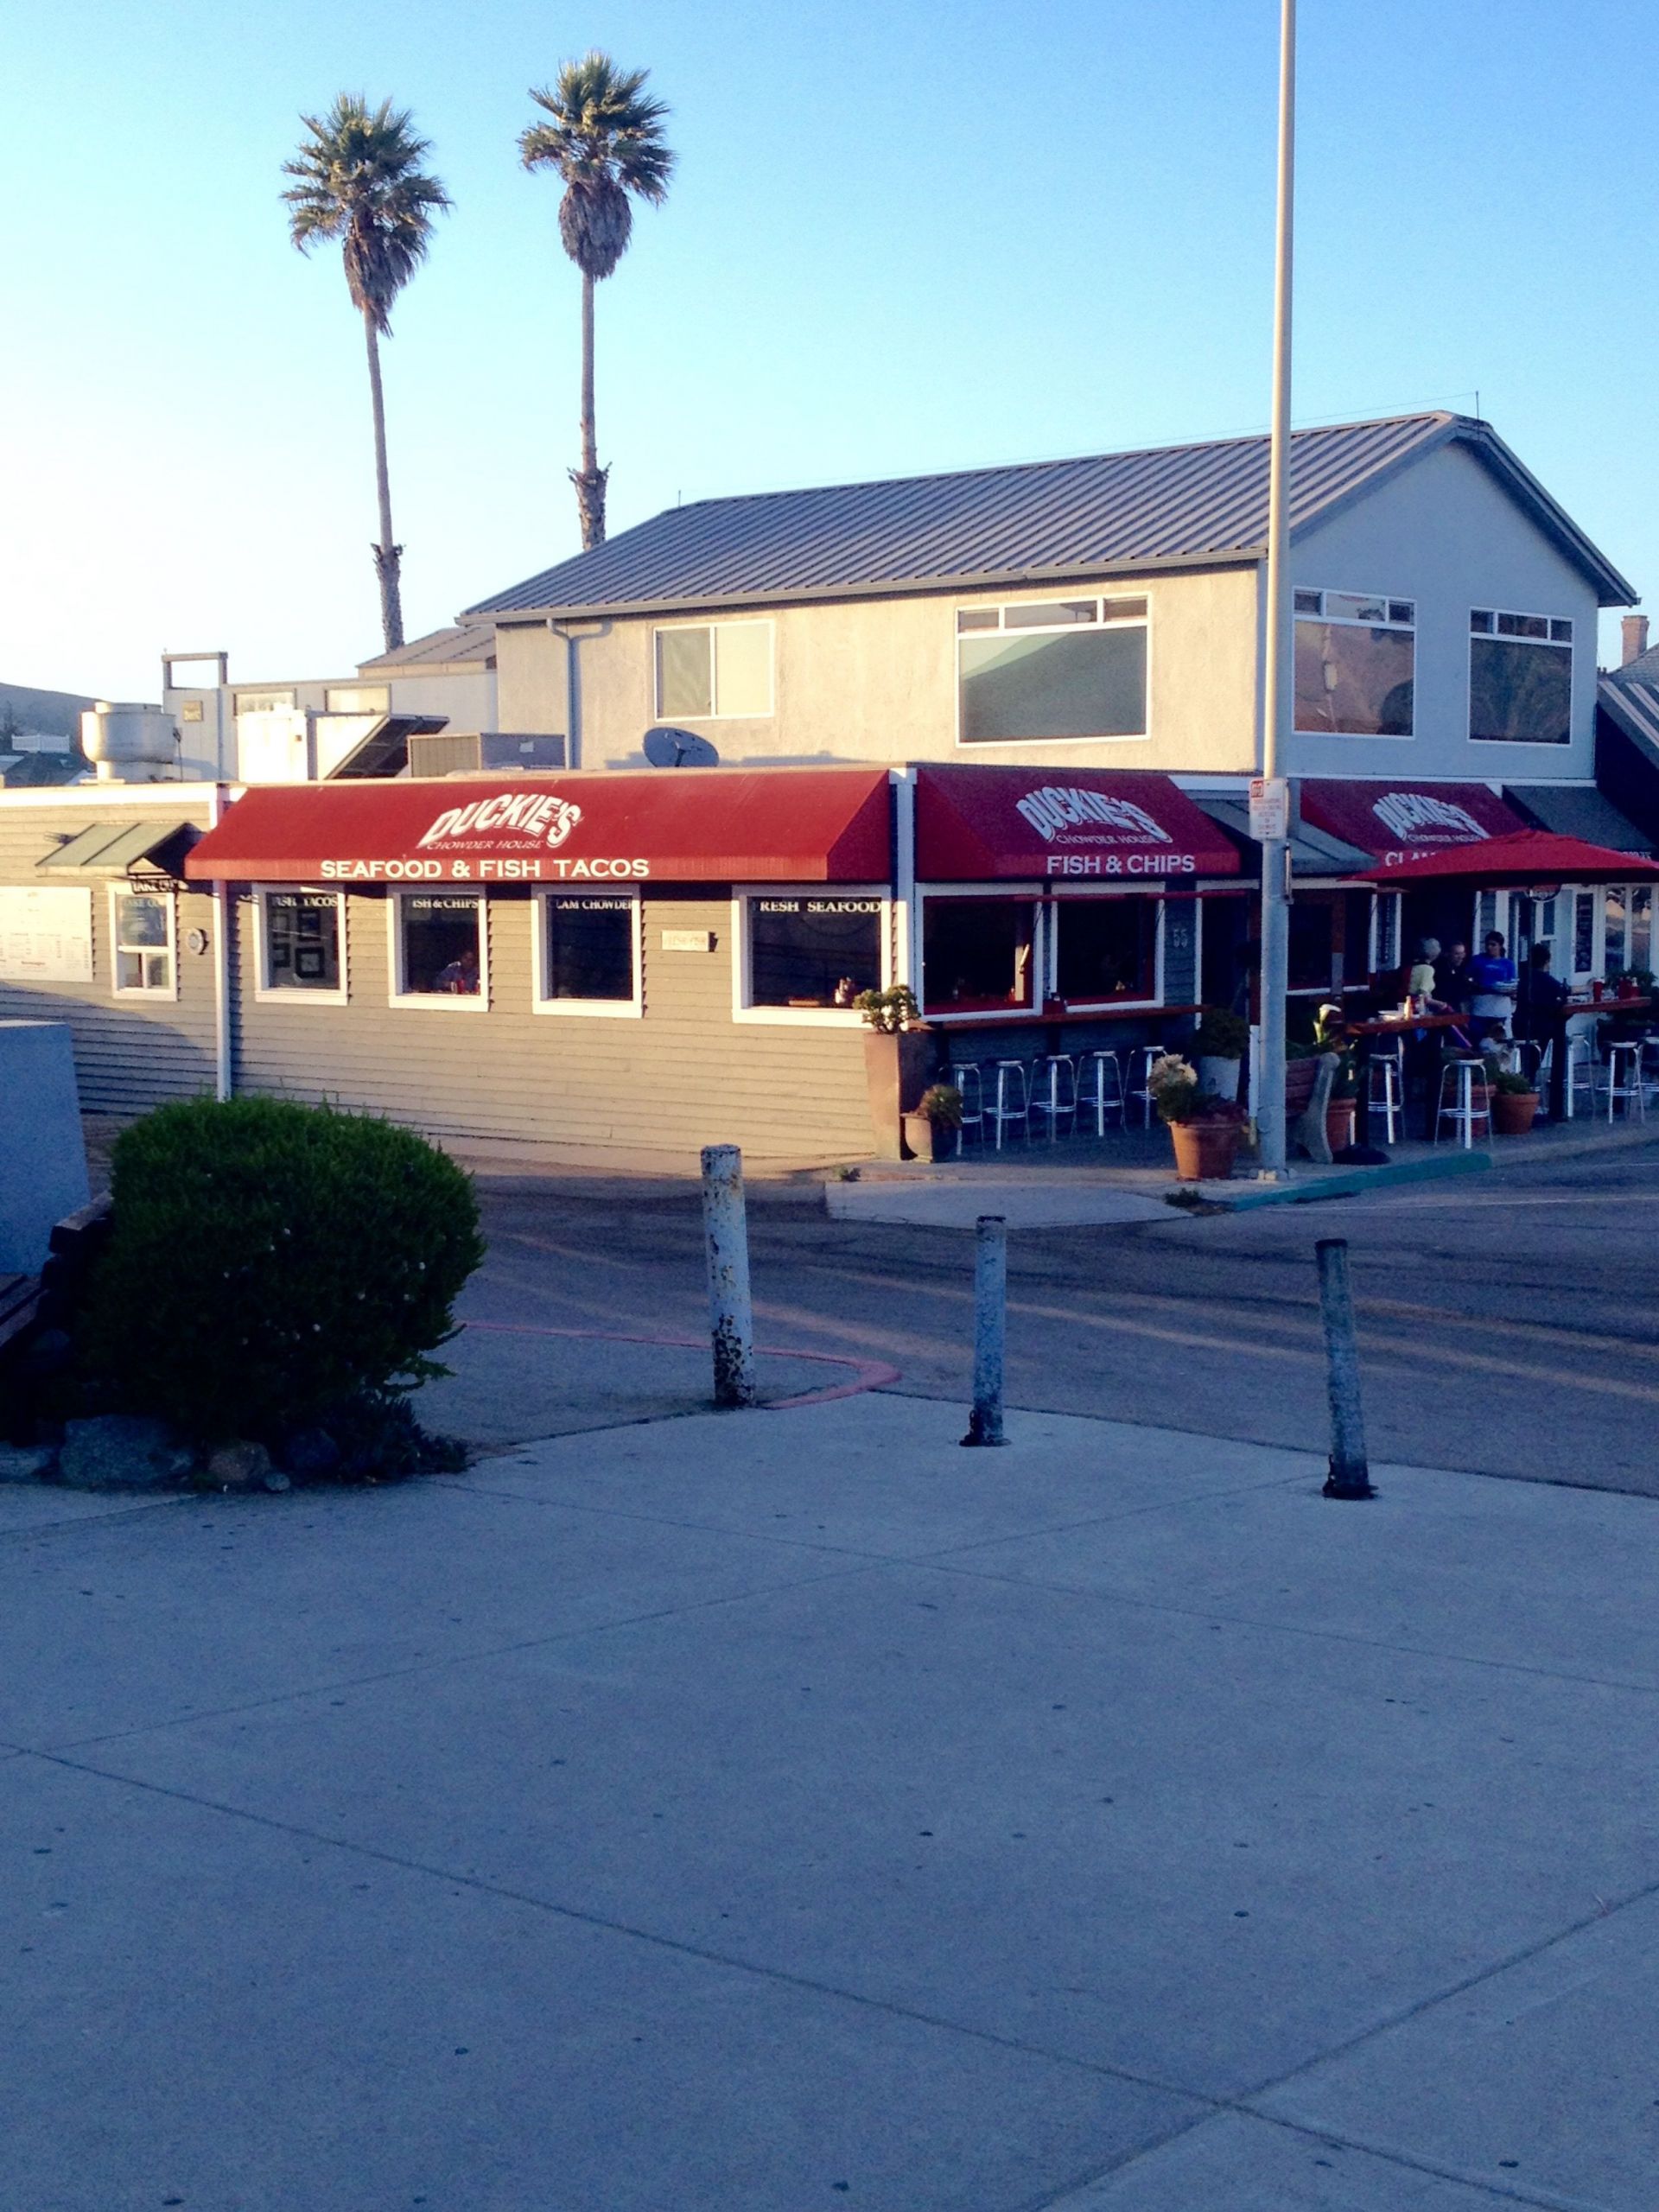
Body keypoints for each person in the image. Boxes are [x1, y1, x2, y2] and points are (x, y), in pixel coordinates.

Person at [1466, 931, 1517, 1040]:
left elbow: (1511, 984)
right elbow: (1466, 978)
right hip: (1481, 1005)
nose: (1489, 947)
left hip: (1500, 1006)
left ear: (1500, 946)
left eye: (1493, 945)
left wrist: (1508, 990)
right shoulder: (1477, 960)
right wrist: (1475, 985)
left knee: (1499, 1040)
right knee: (1478, 1038)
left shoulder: (1508, 964)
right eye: (1487, 944)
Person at [1435, 940, 1473, 1013]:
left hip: (1456, 1010)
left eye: (1462, 954)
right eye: (1457, 954)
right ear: (1447, 954)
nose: (1461, 957)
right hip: (1441, 1010)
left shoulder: (1462, 970)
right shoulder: (1439, 971)